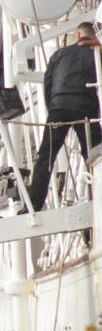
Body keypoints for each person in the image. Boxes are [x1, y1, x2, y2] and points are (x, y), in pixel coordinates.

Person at [27, 22, 101, 212]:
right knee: (95, 155)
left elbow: (48, 83)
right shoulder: (97, 52)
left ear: (78, 34)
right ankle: (98, 195)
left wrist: (53, 107)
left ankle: (34, 204)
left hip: (59, 107)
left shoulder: (59, 54)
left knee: (46, 156)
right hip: (85, 108)